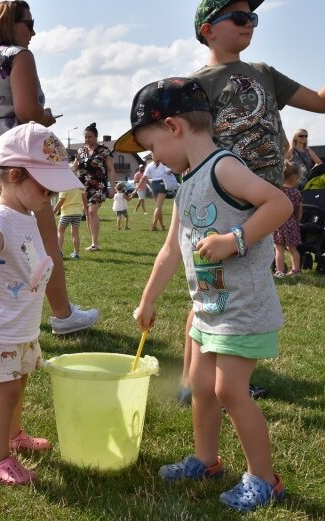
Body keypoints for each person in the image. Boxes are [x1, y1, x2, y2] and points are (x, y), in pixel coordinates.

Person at [147, 0, 325, 407]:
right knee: (211, 289)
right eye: (239, 17)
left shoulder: (264, 73)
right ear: (208, 29)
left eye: (253, 17)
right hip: (225, 195)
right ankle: (199, 383)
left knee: (227, 288)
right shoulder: (195, 85)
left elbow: (322, 101)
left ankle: (213, 380)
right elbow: (182, 142)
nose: (249, 24)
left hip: (264, 199)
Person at [122, 77, 292, 513]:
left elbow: (279, 204)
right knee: (199, 386)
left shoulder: (222, 167)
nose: (153, 158)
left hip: (240, 306)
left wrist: (234, 239)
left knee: (231, 391)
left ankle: (264, 478)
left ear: (174, 127)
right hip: (207, 308)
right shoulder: (187, 182)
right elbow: (168, 252)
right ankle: (205, 458)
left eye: (151, 146)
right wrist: (147, 300)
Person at [0, 0, 98, 341]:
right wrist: (45, 117)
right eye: (29, 23)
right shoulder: (19, 56)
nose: (34, 31)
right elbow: (27, 111)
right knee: (44, 240)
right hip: (11, 154)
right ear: (12, 23)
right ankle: (63, 315)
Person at [0, 122, 84, 486]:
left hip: (22, 324)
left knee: (21, 381)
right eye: (45, 186)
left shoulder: (28, 214)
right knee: (8, 390)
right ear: (14, 175)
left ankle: (15, 434)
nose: (50, 195)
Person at [74, 122, 117, 251]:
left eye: (90, 137)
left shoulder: (104, 151)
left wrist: (112, 187)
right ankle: (93, 242)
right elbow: (74, 167)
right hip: (83, 186)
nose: (87, 139)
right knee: (87, 213)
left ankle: (94, 243)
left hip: (98, 185)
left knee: (92, 211)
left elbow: (111, 170)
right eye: (86, 137)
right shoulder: (80, 151)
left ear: (96, 137)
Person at [272, 161, 303, 277]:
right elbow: (299, 211)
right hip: (291, 223)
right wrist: (297, 221)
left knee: (278, 249)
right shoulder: (297, 193)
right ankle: (296, 270)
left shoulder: (278, 191)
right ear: (295, 177)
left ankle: (279, 271)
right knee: (293, 249)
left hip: (278, 223)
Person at [53, 186, 86, 259]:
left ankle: (58, 252)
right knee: (75, 233)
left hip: (66, 213)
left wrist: (53, 212)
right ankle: (76, 253)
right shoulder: (79, 186)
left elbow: (61, 201)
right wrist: (85, 209)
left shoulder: (65, 187)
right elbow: (84, 198)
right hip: (78, 213)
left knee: (60, 232)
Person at [145, 155, 171, 231]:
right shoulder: (163, 163)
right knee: (158, 207)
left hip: (154, 184)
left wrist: (136, 190)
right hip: (162, 183)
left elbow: (145, 177)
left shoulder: (149, 165)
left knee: (158, 207)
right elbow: (169, 172)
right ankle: (154, 225)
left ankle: (162, 225)